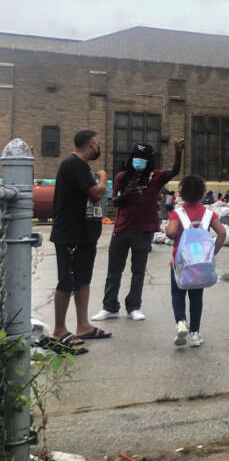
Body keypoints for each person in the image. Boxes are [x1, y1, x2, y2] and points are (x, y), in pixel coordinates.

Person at [91, 139, 184, 322]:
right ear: (132, 157)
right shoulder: (122, 177)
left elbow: (174, 171)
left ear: (149, 160)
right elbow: (115, 201)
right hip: (122, 229)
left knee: (138, 271)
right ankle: (109, 307)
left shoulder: (155, 177)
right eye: (137, 157)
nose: (139, 161)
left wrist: (178, 152)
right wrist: (127, 194)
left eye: (143, 158)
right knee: (114, 270)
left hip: (144, 231)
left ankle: (134, 306)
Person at [49, 130, 111, 352]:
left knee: (83, 279)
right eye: (98, 143)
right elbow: (96, 193)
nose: (99, 147)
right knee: (66, 281)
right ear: (92, 144)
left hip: (84, 235)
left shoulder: (81, 166)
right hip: (70, 235)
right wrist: (103, 177)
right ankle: (59, 330)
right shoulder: (73, 163)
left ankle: (83, 326)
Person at [165, 175, 226, 347]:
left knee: (177, 295)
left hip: (180, 265)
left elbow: (170, 233)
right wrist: (212, 253)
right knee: (196, 297)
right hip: (201, 265)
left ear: (182, 194)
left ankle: (181, 323)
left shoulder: (178, 213)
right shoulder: (209, 214)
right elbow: (222, 233)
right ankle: (195, 334)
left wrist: (168, 227)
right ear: (202, 194)